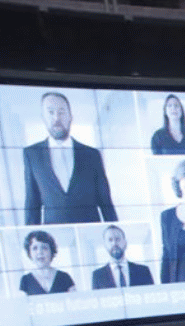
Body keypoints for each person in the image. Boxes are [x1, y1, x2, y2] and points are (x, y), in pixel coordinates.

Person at [22, 91, 117, 223]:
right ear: (43, 117)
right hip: (53, 235)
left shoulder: (92, 155)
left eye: (61, 112)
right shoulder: (31, 154)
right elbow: (32, 204)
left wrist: (115, 228)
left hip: (90, 232)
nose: (56, 118)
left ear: (70, 116)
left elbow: (105, 201)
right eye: (50, 112)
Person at [90, 225, 154, 289]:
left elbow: (152, 296)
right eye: (110, 240)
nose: (114, 243)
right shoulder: (97, 276)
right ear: (105, 245)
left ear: (125, 243)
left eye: (117, 239)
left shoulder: (143, 271)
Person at [18, 230, 75, 294]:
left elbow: (75, 301)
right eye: (35, 248)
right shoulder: (25, 280)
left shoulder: (65, 277)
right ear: (29, 253)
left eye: (44, 248)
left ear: (51, 251)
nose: (40, 252)